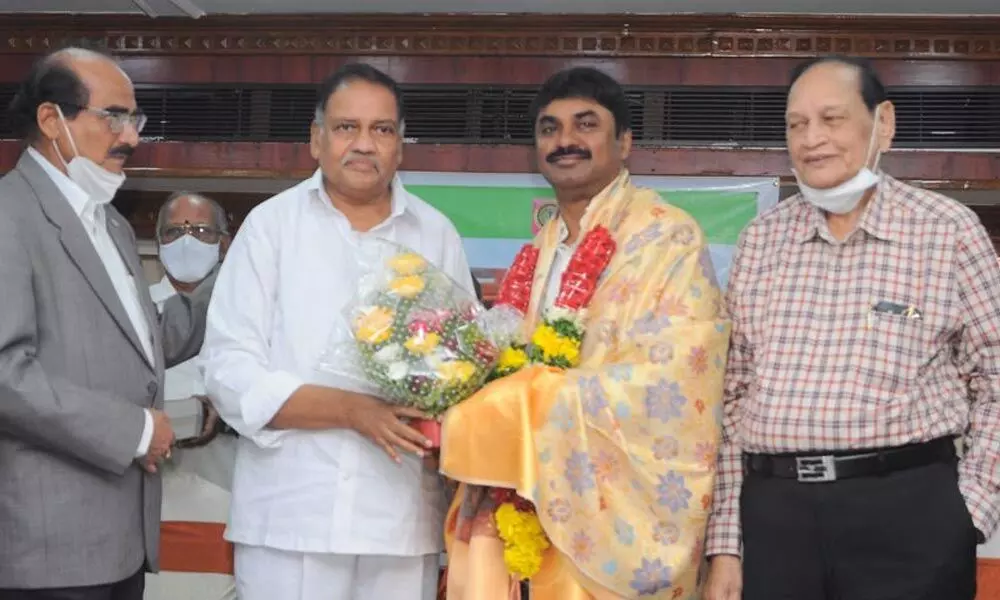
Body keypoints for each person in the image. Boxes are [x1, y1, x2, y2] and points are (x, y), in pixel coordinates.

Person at [703, 55, 1000, 600]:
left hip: (908, 516)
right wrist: (726, 544)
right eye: (797, 124)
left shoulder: (946, 232)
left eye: (832, 119)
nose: (812, 138)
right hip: (777, 519)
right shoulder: (761, 241)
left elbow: (997, 376)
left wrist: (970, 509)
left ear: (881, 122)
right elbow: (732, 396)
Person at [439, 67, 731, 599]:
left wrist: (529, 399)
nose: (565, 141)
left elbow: (676, 384)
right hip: (528, 501)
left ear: (624, 143)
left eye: (585, 124)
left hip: (613, 511)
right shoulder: (540, 250)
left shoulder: (667, 236)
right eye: (549, 129)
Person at [199, 63, 474, 600]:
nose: (364, 145)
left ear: (400, 146)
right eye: (348, 128)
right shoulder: (270, 227)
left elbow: (461, 366)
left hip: (400, 520)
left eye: (382, 130)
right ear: (316, 140)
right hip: (290, 516)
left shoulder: (436, 233)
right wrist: (352, 411)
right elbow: (229, 371)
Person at [0, 46, 212, 599]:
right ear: (52, 121)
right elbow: (5, 375)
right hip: (46, 550)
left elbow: (142, 341)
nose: (131, 137)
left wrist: (255, 271)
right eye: (113, 116)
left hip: (121, 542)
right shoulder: (8, 216)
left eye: (134, 119)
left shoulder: (110, 224)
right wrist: (137, 431)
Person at [145, 191, 237, 600]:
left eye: (201, 230)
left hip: (231, 487)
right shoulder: (136, 309)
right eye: (174, 231)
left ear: (225, 242)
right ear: (158, 240)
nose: (187, 240)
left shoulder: (248, 314)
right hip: (153, 494)